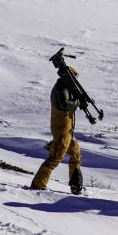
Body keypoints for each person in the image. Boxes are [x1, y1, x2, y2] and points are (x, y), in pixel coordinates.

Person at [30, 66, 84, 194]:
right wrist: (77, 101)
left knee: (76, 155)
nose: (76, 79)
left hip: (68, 130)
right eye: (74, 76)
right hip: (62, 130)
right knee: (55, 158)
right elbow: (65, 104)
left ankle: (76, 185)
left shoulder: (68, 88)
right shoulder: (61, 87)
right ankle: (38, 185)